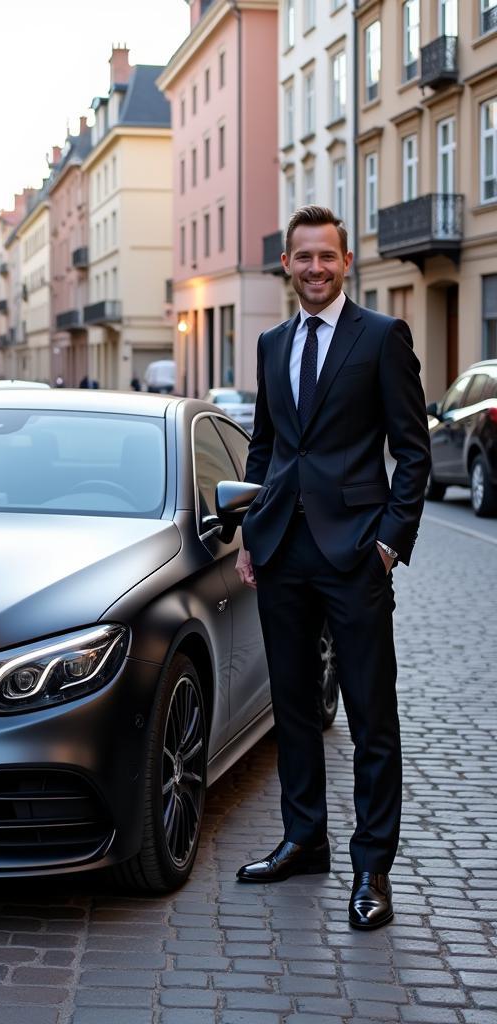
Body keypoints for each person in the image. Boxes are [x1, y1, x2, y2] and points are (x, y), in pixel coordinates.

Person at [234, 205, 429, 931]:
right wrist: (252, 531)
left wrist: (388, 541)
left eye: (327, 257)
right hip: (283, 548)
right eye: (302, 257)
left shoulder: (381, 337)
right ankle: (303, 840)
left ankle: (372, 868)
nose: (315, 268)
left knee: (372, 715)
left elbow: (412, 450)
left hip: (354, 554)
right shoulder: (272, 341)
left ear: (346, 263)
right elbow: (265, 447)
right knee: (291, 709)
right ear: (286, 264)